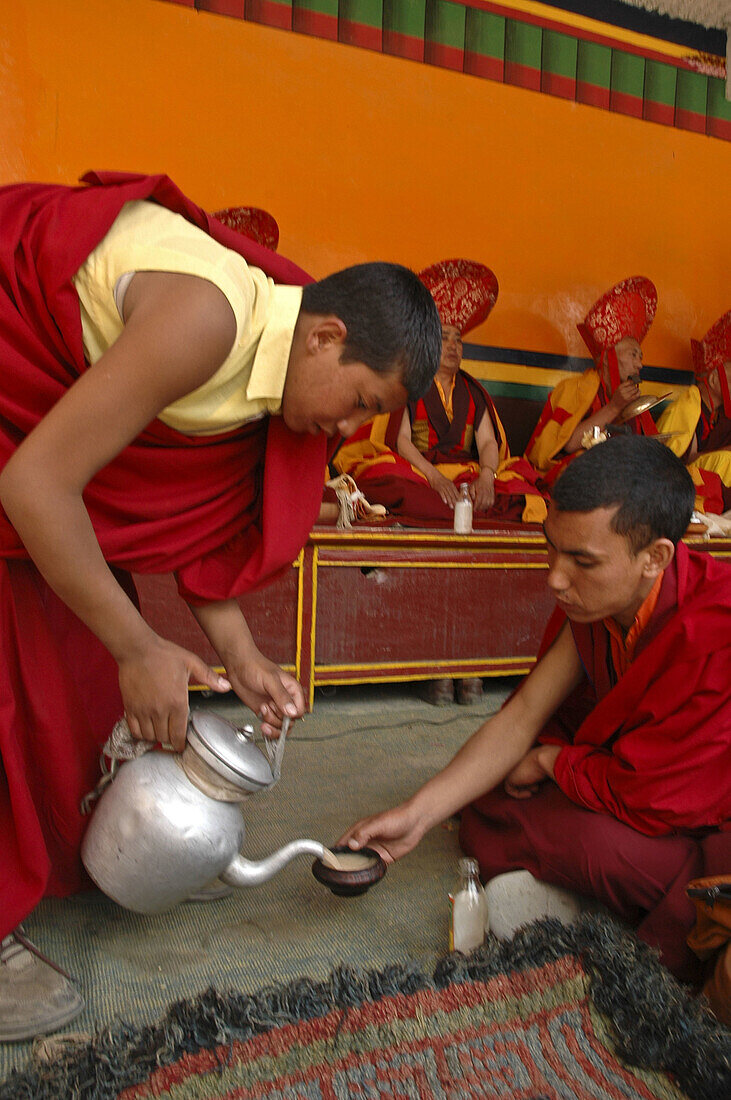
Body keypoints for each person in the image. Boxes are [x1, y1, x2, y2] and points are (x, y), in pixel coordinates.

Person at [0, 170, 441, 1041]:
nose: (351, 432)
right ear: (324, 335)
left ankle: (95, 848)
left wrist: (240, 658)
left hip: (35, 467)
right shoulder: (206, 320)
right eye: (362, 403)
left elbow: (183, 524)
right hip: (24, 460)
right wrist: (138, 647)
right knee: (33, 679)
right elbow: (36, 481)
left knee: (80, 678)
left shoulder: (265, 372)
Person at [341, 436, 731, 988]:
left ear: (656, 558)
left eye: (582, 561)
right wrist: (417, 815)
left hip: (694, 825)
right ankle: (588, 898)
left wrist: (553, 763)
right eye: (553, 548)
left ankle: (629, 918)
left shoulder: (717, 626)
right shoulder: (600, 606)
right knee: (489, 790)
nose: (555, 578)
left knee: (587, 842)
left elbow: (656, 797)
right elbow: (523, 713)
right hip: (628, 787)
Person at [334, 258, 546, 531]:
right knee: (387, 479)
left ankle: (453, 507)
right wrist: (435, 479)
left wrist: (486, 477)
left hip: (466, 475)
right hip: (421, 473)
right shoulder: (410, 382)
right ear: (428, 342)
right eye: (444, 337)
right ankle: (447, 508)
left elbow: (487, 444)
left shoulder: (472, 391)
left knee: (522, 487)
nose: (453, 346)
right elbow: (402, 442)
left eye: (458, 339)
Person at [525, 276, 661, 487]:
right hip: (578, 474)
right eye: (633, 355)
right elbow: (569, 444)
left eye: (640, 357)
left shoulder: (633, 399)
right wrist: (615, 406)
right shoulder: (576, 389)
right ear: (609, 359)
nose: (639, 365)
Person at [656, 309, 731, 514]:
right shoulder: (688, 405)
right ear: (715, 380)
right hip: (678, 484)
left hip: (708, 483)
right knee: (726, 460)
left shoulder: (721, 415)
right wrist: (721, 454)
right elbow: (669, 461)